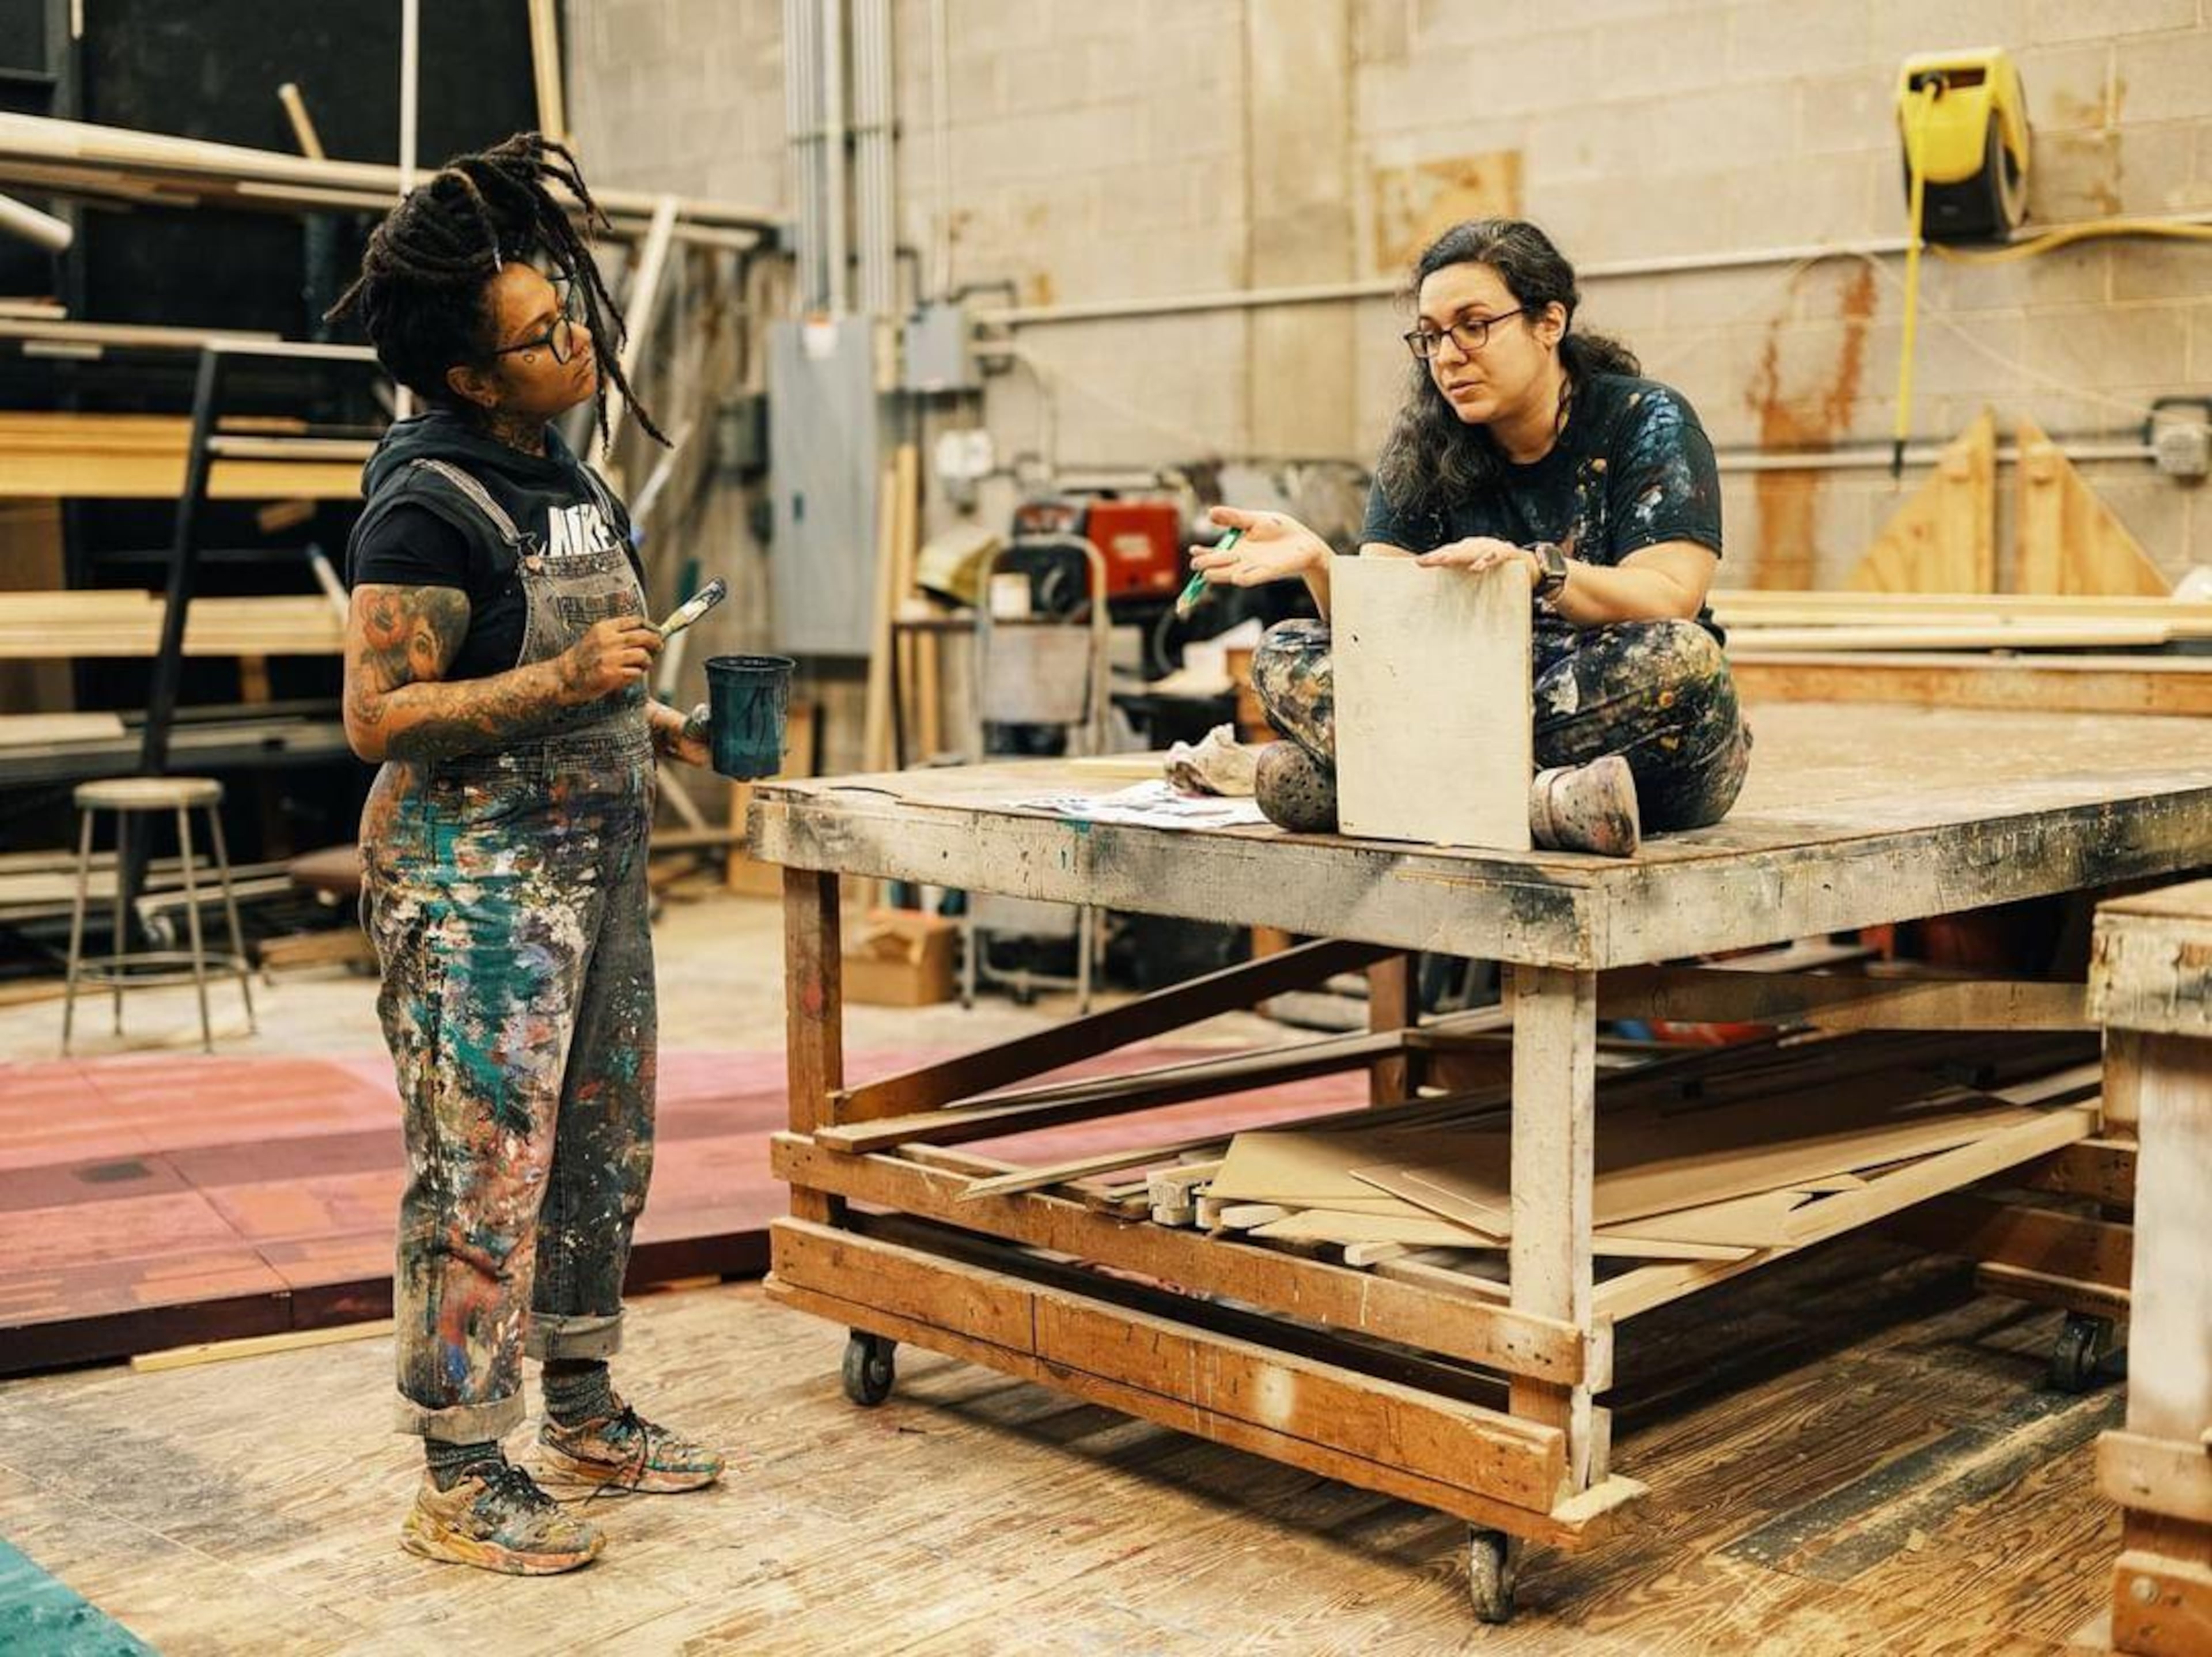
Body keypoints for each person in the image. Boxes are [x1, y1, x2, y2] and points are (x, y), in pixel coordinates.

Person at [333, 133, 722, 1577]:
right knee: (480, 1173)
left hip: (596, 873)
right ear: (470, 377)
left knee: (601, 1150)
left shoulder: (563, 470)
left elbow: (571, 666)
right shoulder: (424, 502)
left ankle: (582, 1409)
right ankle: (458, 1471)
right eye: (543, 335)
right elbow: (378, 716)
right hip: (477, 890)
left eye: (568, 314)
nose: (577, 339)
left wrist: (654, 723)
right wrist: (562, 685)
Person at [1191, 218, 1751, 855]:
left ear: (1549, 322)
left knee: (1680, 660)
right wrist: (1322, 566)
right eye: (1431, 336)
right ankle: (1544, 804)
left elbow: (1670, 594)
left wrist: (1537, 570)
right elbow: (1382, 637)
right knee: (1284, 651)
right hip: (1465, 693)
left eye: (1474, 325)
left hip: (1611, 711)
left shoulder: (1644, 419)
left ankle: (1371, 785)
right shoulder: (1421, 443)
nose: (1448, 355)